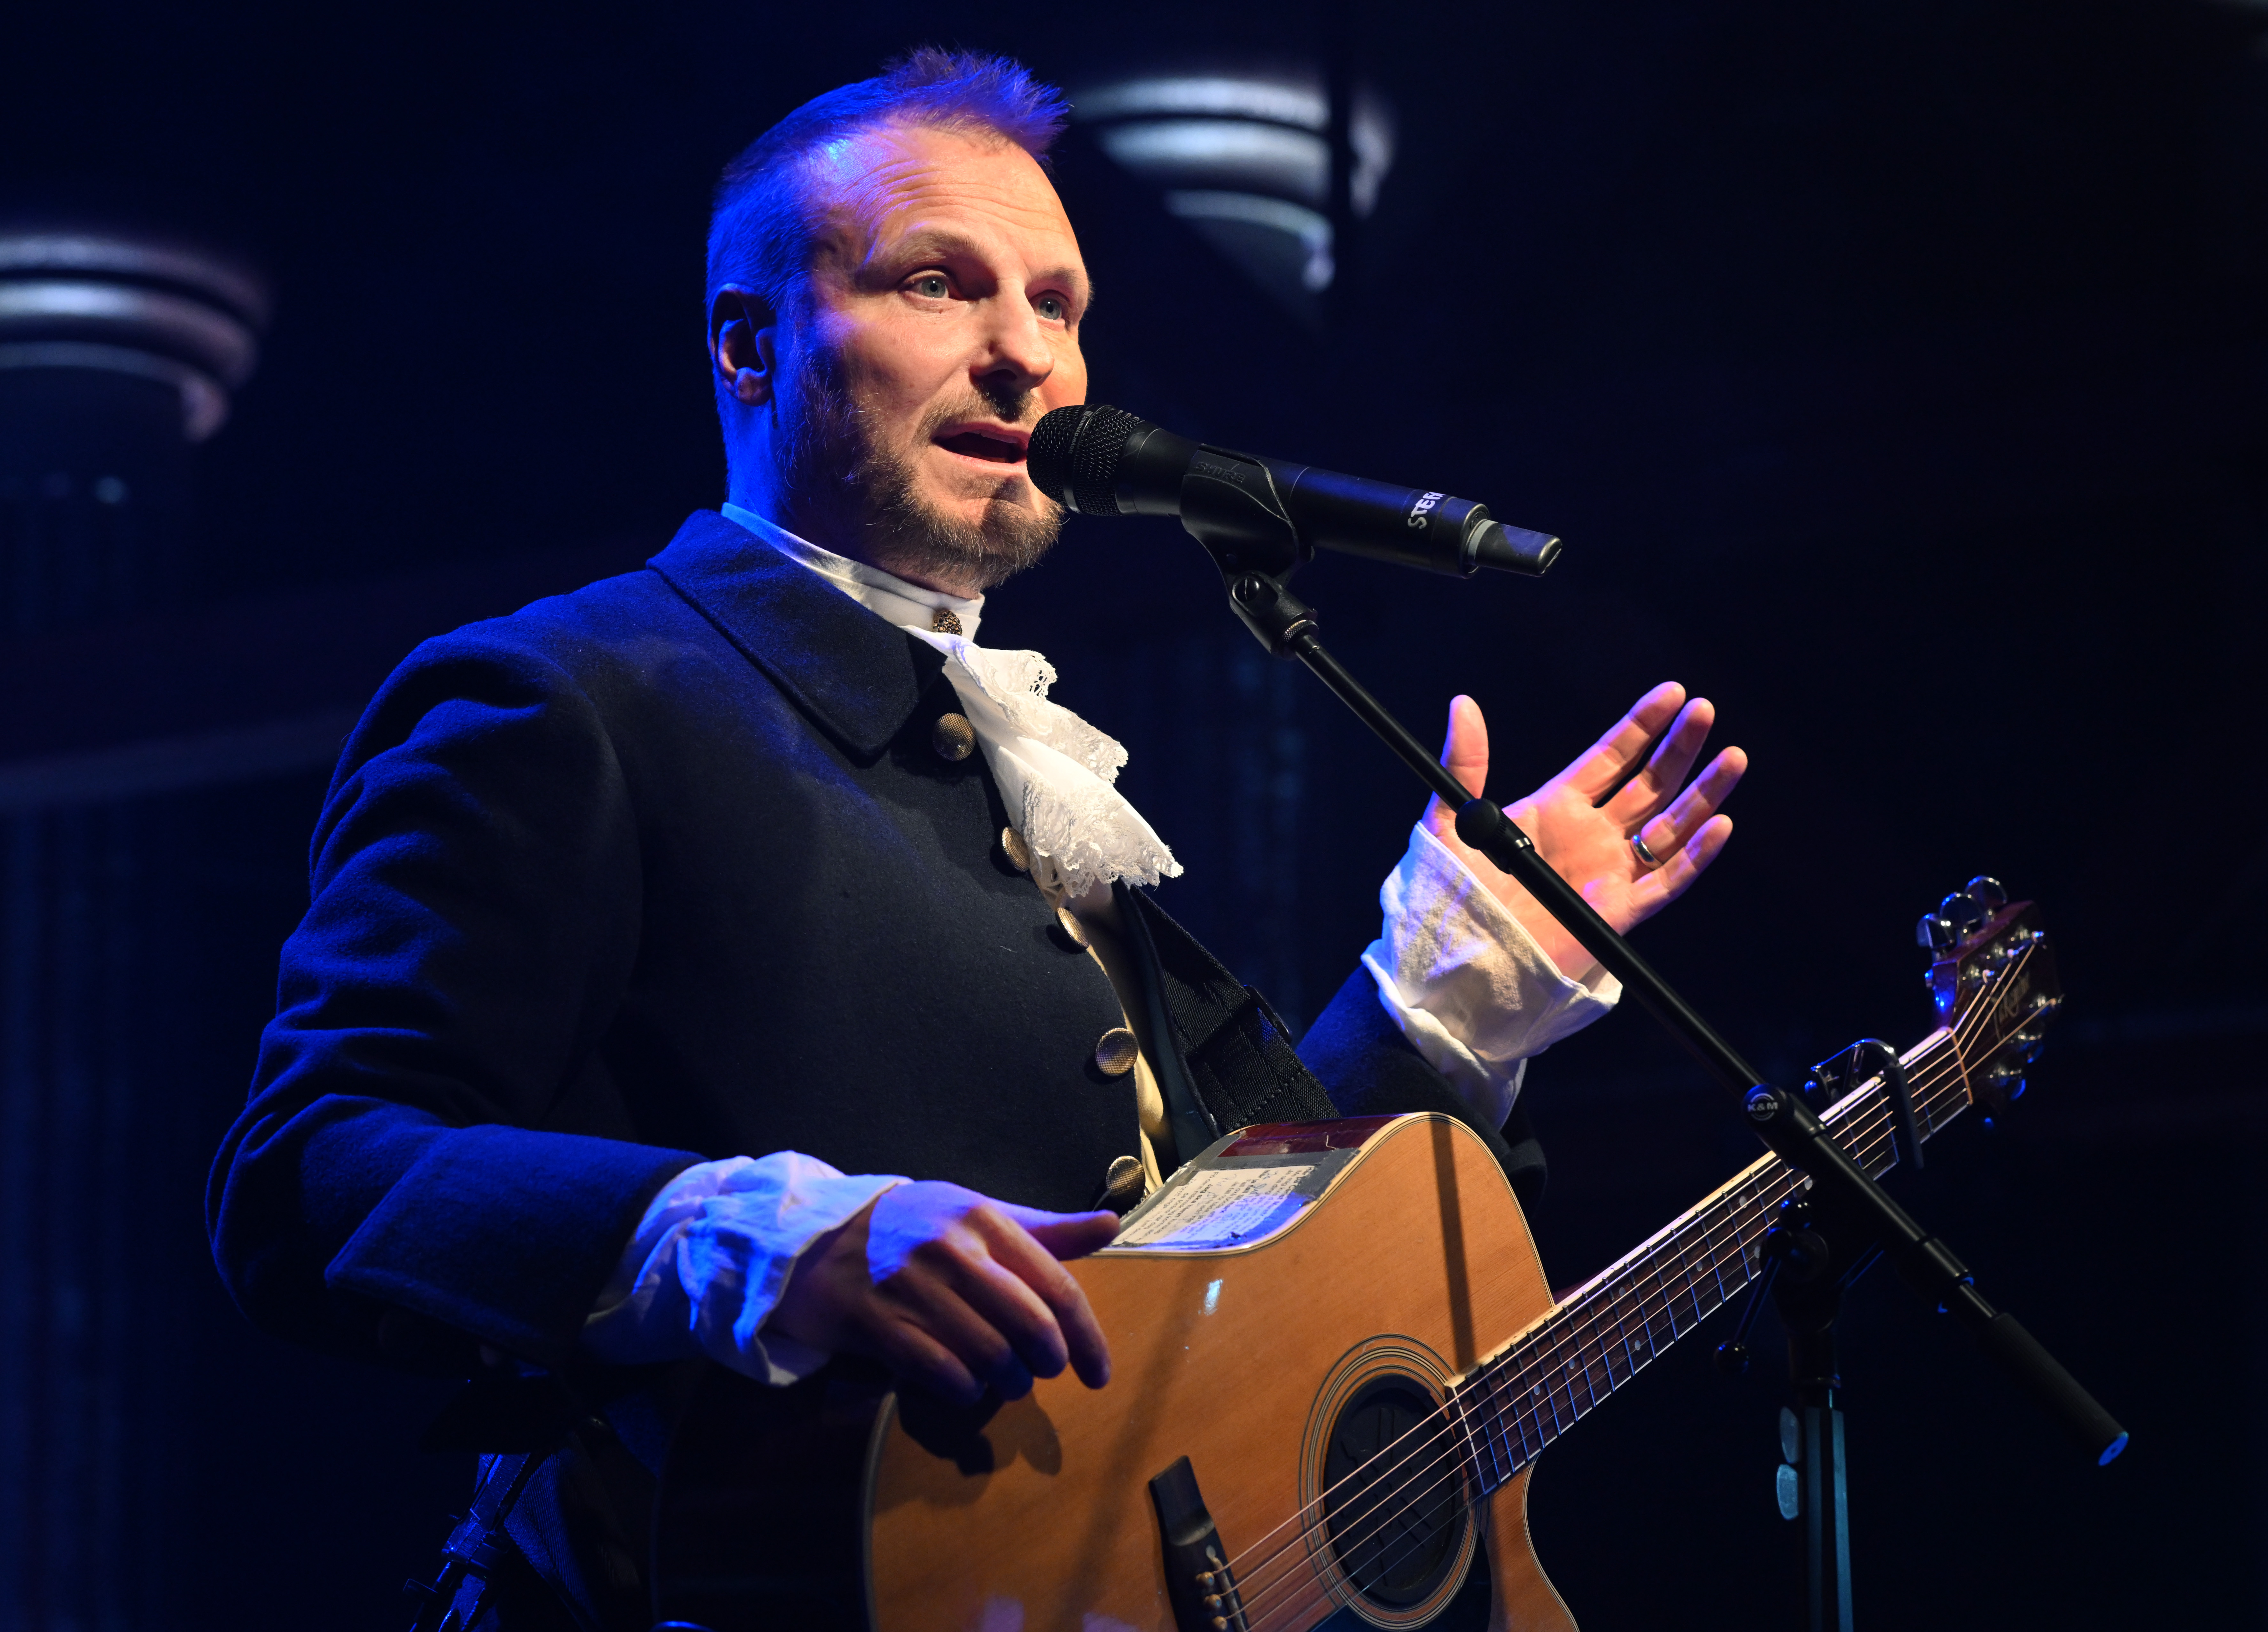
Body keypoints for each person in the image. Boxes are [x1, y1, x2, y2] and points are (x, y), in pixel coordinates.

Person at [207, 48, 1746, 1629]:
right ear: (750, 345)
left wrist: (1447, 994)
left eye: (1058, 305)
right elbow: (309, 1169)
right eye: (939, 284)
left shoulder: (1033, 760)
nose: (1026, 356)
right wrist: (746, 1234)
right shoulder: (569, 696)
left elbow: (1235, 1289)